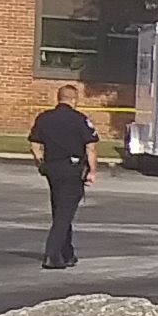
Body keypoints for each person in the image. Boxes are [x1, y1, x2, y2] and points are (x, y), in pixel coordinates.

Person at [27, 83, 101, 270]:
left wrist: (41, 163)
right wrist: (92, 171)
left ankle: (67, 253)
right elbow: (90, 147)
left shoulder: (44, 118)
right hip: (72, 169)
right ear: (74, 100)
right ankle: (52, 255)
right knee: (64, 214)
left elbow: (35, 145)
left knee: (60, 210)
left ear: (58, 98)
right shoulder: (80, 120)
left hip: (52, 169)